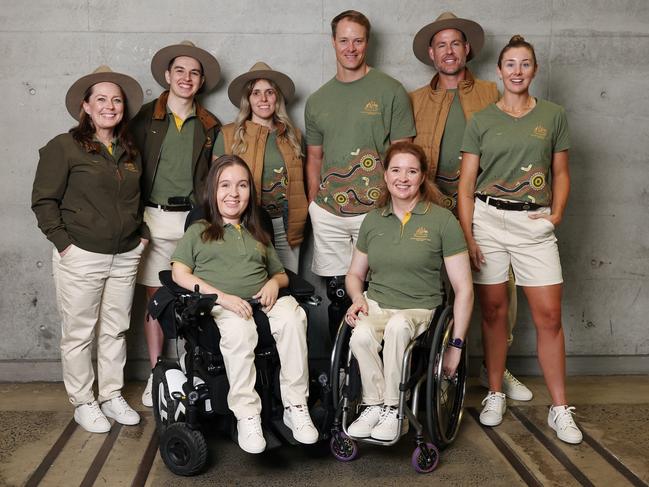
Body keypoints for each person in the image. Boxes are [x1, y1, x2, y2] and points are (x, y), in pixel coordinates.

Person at [458, 35, 582, 444]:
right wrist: (468, 233)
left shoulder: (553, 115)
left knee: (549, 316)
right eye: (510, 64)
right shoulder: (481, 120)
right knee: (493, 312)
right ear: (499, 71)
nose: (517, 71)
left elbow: (561, 172)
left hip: (533, 221)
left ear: (535, 69)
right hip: (488, 220)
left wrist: (558, 214)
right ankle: (495, 393)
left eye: (525, 64)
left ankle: (560, 409)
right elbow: (466, 185)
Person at [410, 12, 532, 401]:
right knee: (436, 288)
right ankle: (437, 370)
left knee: (499, 290)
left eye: (455, 44)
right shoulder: (414, 100)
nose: (449, 51)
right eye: (441, 44)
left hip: (483, 204)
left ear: (468, 50)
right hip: (431, 203)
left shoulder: (490, 95)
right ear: (431, 53)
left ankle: (494, 366)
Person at [170, 155, 319, 454]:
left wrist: (273, 284)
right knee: (240, 330)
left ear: (250, 191)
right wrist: (222, 298)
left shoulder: (256, 231)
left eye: (241, 185)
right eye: (225, 185)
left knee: (294, 317)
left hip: (263, 300)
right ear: (213, 190)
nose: (233, 193)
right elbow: (178, 273)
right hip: (222, 305)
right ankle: (247, 415)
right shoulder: (199, 230)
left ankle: (295, 405)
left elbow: (280, 273)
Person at [32, 65, 147, 433]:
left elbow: (136, 198)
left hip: (125, 253)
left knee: (115, 329)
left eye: (116, 100)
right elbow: (44, 201)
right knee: (80, 333)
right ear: (86, 106)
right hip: (81, 254)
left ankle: (111, 395)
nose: (109, 106)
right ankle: (84, 401)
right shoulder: (63, 147)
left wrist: (141, 234)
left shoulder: (130, 150)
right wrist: (65, 245)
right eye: (101, 99)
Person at [345, 141, 473, 441]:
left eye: (412, 171)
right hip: (377, 305)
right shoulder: (374, 220)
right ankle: (374, 404)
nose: (403, 178)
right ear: (386, 175)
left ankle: (394, 409)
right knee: (360, 335)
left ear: (423, 176)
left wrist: (455, 345)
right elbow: (354, 274)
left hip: (418, 310)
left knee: (399, 327)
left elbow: (464, 289)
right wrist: (357, 298)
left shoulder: (442, 221)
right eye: (396, 170)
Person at [305, 10, 415, 316]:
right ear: (333, 42)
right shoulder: (317, 100)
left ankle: (368, 364)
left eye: (358, 40)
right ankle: (341, 364)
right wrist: (316, 201)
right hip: (329, 213)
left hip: (375, 209)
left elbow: (404, 155)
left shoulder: (390, 90)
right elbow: (314, 158)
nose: (350, 48)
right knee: (337, 293)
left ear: (367, 43)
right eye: (344, 40)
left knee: (375, 290)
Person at [130, 41, 222, 408]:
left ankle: (189, 367)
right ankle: (157, 375)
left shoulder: (211, 125)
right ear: (167, 76)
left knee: (192, 298)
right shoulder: (142, 120)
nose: (186, 78)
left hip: (191, 220)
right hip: (152, 217)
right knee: (155, 298)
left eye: (194, 72)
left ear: (201, 81)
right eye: (179, 71)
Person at [213, 62, 308, 273]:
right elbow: (214, 185)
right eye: (256, 93)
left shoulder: (294, 136)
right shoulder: (228, 135)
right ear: (248, 99)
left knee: (288, 282)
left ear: (277, 98)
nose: (263, 99)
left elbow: (303, 182)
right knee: (250, 282)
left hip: (286, 225)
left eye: (269, 92)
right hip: (246, 223)